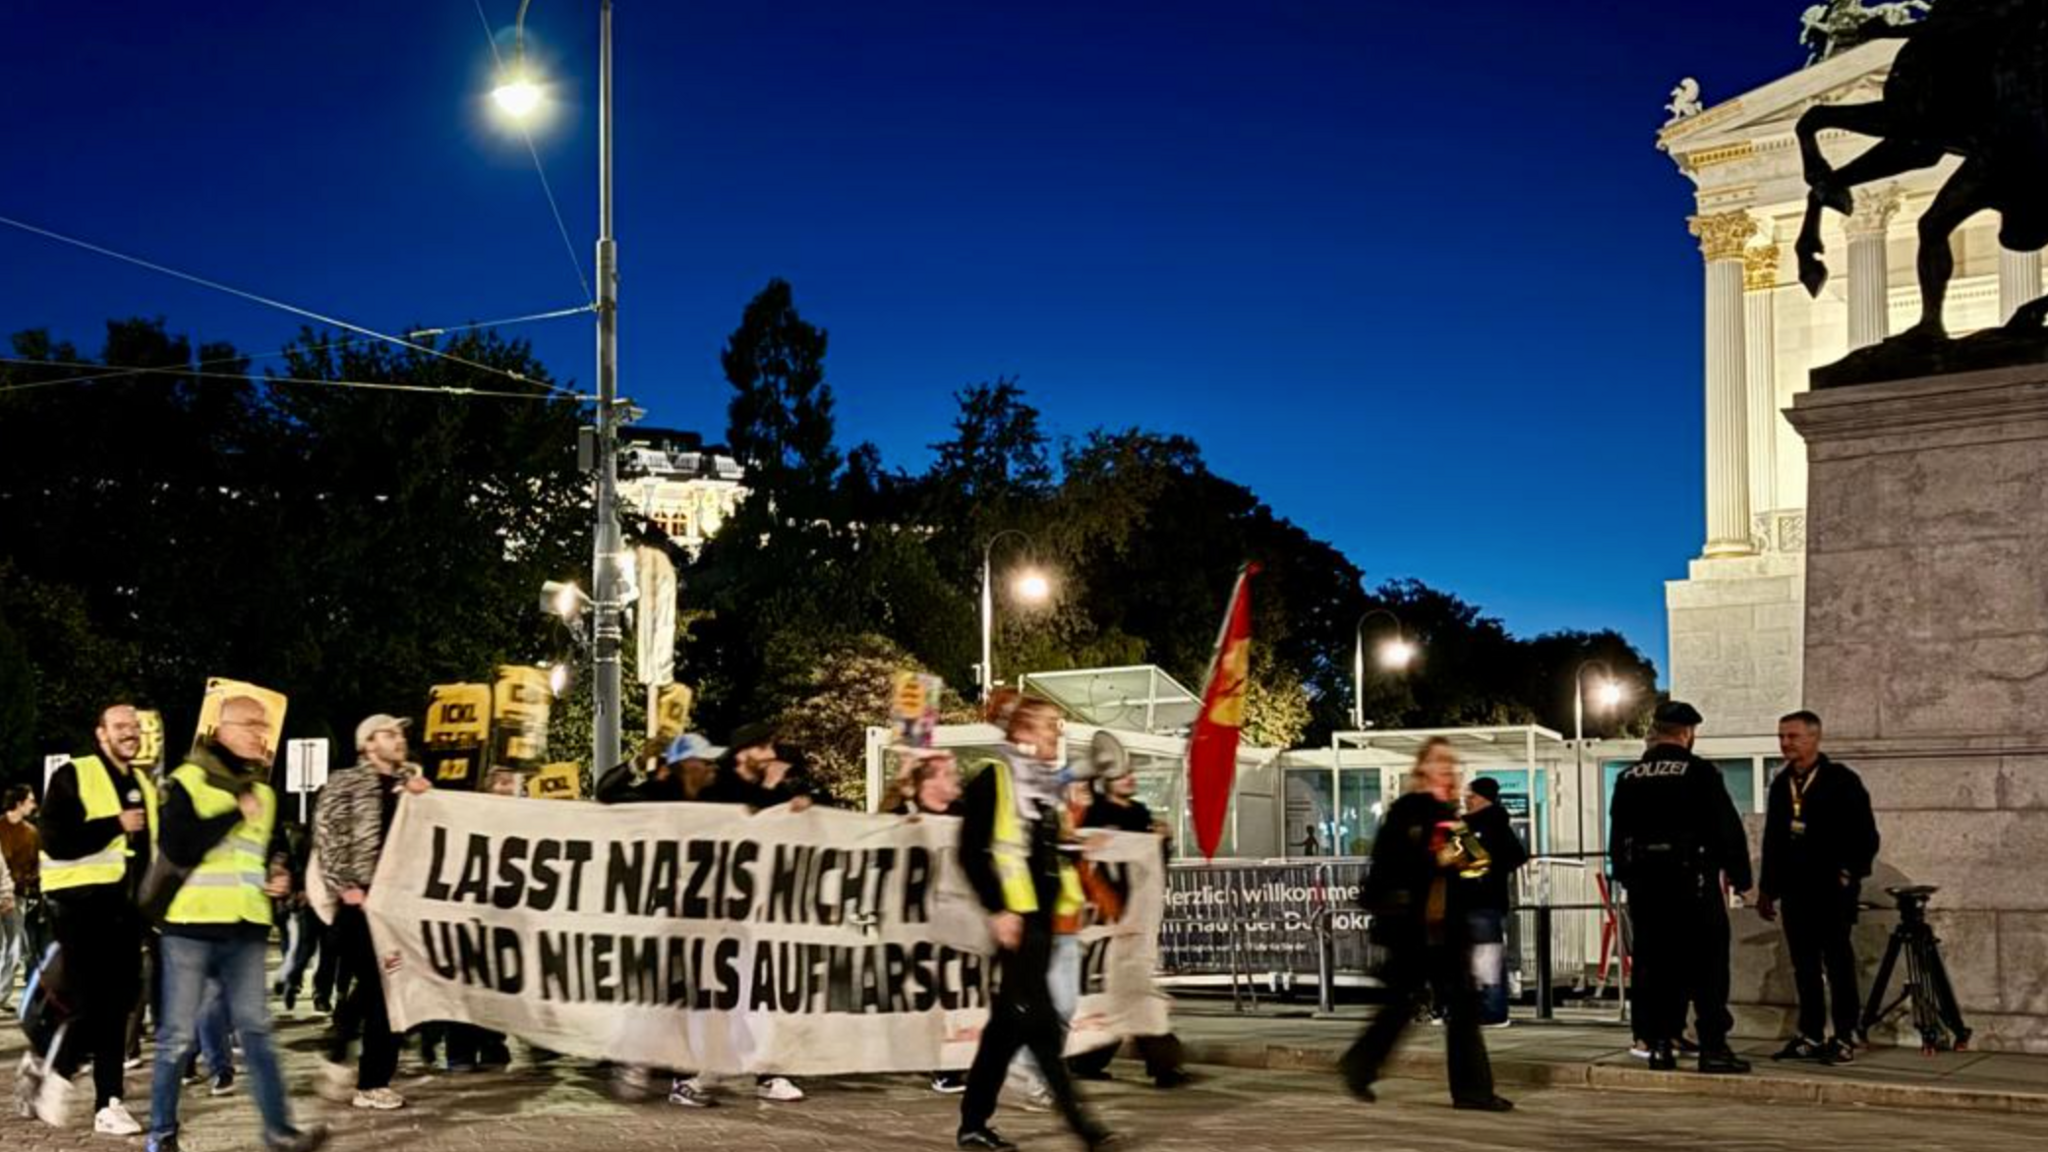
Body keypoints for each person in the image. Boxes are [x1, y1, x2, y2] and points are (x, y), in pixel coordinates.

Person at [145, 694, 327, 1152]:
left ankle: (280, 1133)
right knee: (176, 1038)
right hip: (191, 926)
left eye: (264, 727)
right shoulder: (186, 780)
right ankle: (161, 1135)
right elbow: (179, 847)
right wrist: (233, 813)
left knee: (257, 1033)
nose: (259, 734)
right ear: (221, 728)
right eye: (249, 724)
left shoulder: (263, 791)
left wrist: (278, 873)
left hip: (246, 927)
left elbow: (263, 852)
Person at [955, 697, 1117, 1152]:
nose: (1057, 736)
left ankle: (972, 1125)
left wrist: (1073, 853)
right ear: (1023, 731)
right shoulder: (994, 779)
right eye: (1049, 727)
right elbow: (969, 853)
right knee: (1043, 1027)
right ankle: (1086, 1129)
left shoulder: (1046, 790)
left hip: (1043, 923)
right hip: (1017, 922)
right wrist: (996, 909)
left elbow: (1043, 857)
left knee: (1005, 1031)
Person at [1339, 737, 1511, 1112]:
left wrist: (1462, 849)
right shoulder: (1407, 811)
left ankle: (1473, 1092)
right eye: (1440, 761)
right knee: (1402, 1003)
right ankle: (1359, 1063)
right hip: (1413, 928)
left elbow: (1476, 867)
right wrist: (1439, 858)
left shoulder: (1451, 815)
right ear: (1422, 770)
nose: (1448, 768)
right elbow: (1392, 866)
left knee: (1461, 1007)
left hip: (1446, 930)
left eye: (1452, 762)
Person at [667, 724, 810, 1107]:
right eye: (764, 746)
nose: (771, 752)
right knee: (708, 992)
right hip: (708, 909)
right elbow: (735, 825)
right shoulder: (717, 786)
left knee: (761, 990)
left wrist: (791, 801)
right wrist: (769, 792)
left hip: (755, 910)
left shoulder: (772, 786)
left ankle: (769, 1071)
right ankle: (687, 1077)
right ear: (745, 752)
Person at [1609, 700, 1754, 1075]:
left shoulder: (1629, 777)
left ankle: (1660, 1044)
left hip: (1646, 887)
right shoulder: (1700, 772)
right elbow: (1726, 828)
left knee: (1656, 964)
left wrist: (1628, 876)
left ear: (1657, 730)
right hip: (1693, 883)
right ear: (1688, 733)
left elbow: (1618, 835)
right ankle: (1713, 1047)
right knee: (1707, 966)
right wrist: (1742, 878)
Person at [35, 702, 157, 1132]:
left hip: (123, 912)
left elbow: (146, 855)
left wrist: (151, 910)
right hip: (77, 904)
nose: (130, 732)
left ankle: (108, 1103)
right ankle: (55, 1075)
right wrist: (114, 823)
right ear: (101, 734)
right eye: (120, 726)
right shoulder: (75, 773)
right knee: (90, 1002)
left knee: (119, 1005)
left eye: (134, 727)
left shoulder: (142, 783)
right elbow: (53, 840)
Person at [313, 713, 428, 1111]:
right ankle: (371, 1080)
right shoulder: (345, 782)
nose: (399, 740)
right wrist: (344, 885)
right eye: (389, 734)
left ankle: (342, 1046)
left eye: (400, 735)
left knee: (389, 988)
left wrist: (424, 797)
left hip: (400, 904)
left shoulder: (413, 787)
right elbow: (328, 834)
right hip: (359, 901)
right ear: (367, 744)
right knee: (381, 988)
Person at [1759, 710, 1879, 1065]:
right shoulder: (1782, 784)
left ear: (1815, 738)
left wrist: (1848, 872)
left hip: (1831, 890)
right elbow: (1773, 840)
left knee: (1838, 962)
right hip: (1795, 890)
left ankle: (1844, 1035)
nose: (1785, 743)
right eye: (1782, 736)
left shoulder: (1841, 780)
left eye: (1793, 736)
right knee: (1804, 965)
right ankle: (1810, 1033)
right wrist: (1768, 888)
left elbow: (1866, 834)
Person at [1073, 761, 1190, 1088]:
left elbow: (1150, 869)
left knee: (1124, 992)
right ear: (1105, 782)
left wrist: (1163, 843)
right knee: (1125, 992)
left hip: (1134, 920)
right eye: (1122, 775)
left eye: (1130, 774)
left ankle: (1088, 1060)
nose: (1130, 779)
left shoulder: (1139, 814)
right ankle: (1162, 1065)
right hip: (1104, 920)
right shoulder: (1093, 814)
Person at [889, 748, 970, 1094]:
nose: (957, 780)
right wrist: (905, 771)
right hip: (916, 919)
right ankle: (941, 1064)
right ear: (929, 782)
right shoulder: (907, 813)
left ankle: (950, 1062)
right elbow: (877, 824)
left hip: (958, 914)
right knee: (929, 990)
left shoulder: (963, 813)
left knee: (955, 989)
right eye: (949, 774)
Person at [1458, 777, 1529, 1028]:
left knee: (1486, 957)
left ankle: (1493, 1010)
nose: (1467, 799)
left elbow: (1515, 856)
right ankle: (1480, 1008)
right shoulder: (1481, 824)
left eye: (1472, 796)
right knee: (1474, 957)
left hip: (1482, 899)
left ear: (1485, 798)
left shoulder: (1484, 825)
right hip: (1479, 898)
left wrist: (1487, 871)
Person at [0, 784, 32, 1009]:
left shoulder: (31, 832)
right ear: (19, 803)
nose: (34, 805)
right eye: (30, 800)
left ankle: (1, 993)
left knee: (15, 946)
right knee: (8, 945)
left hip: (16, 894)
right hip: (8, 892)